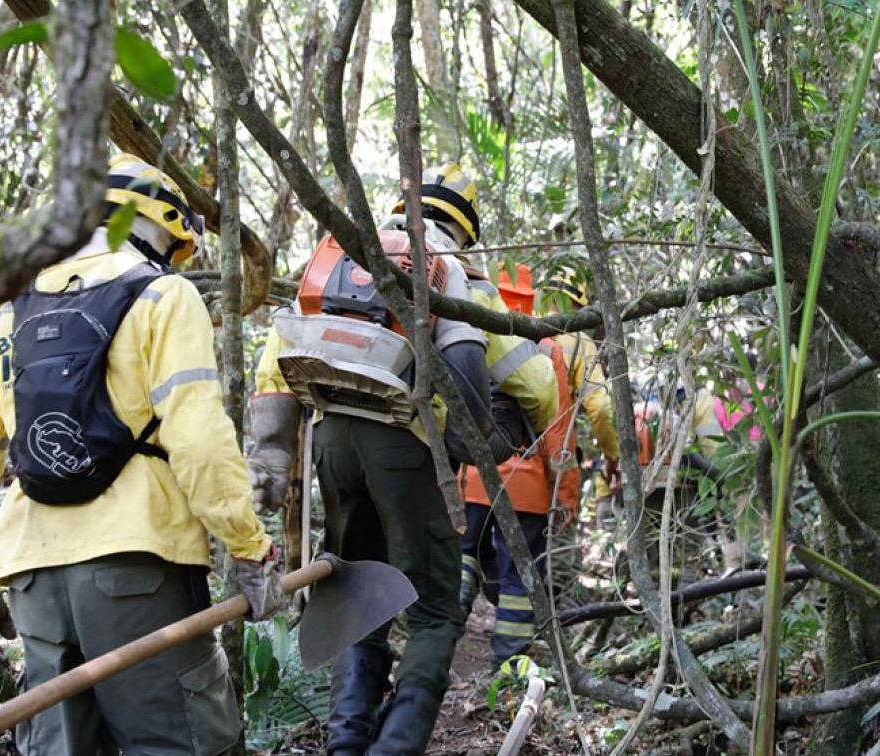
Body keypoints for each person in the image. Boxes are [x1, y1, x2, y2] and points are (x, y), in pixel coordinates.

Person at [0, 153, 284, 756]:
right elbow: (198, 437)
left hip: (33, 574)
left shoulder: (4, 320)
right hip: (139, 566)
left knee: (61, 747)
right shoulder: (162, 296)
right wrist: (249, 547)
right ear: (162, 224)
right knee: (177, 742)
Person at [249, 164, 556, 756]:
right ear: (464, 228)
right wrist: (498, 437)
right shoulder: (458, 276)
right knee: (437, 611)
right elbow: (537, 387)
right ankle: (398, 744)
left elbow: (276, 362)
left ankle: (346, 743)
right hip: (409, 443)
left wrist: (270, 453)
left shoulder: (342, 255)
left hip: (333, 440)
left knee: (354, 584)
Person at [459, 265, 579, 665]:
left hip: (473, 479)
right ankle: (508, 664)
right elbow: (558, 429)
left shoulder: (469, 330)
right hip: (527, 489)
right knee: (518, 577)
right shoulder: (546, 348)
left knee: (464, 560)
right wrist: (565, 494)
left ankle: (441, 640)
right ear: (532, 302)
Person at [536, 267, 619, 596]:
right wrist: (612, 455)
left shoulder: (517, 320)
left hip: (507, 447)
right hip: (558, 449)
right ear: (578, 300)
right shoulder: (579, 340)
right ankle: (556, 614)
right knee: (559, 530)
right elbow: (600, 406)